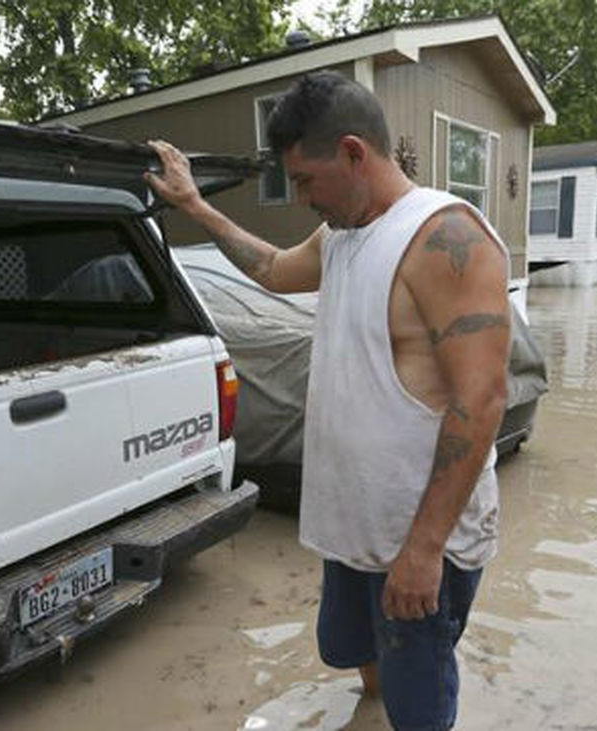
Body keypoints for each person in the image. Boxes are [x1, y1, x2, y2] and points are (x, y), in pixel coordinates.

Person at [145, 70, 510, 731]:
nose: (303, 198)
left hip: (418, 535)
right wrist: (195, 207)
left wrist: (424, 551)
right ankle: (369, 712)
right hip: (355, 522)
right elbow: (276, 270)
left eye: (307, 180)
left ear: (352, 152)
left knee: (420, 701)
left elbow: (482, 399)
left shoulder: (445, 238)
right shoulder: (340, 234)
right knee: (355, 650)